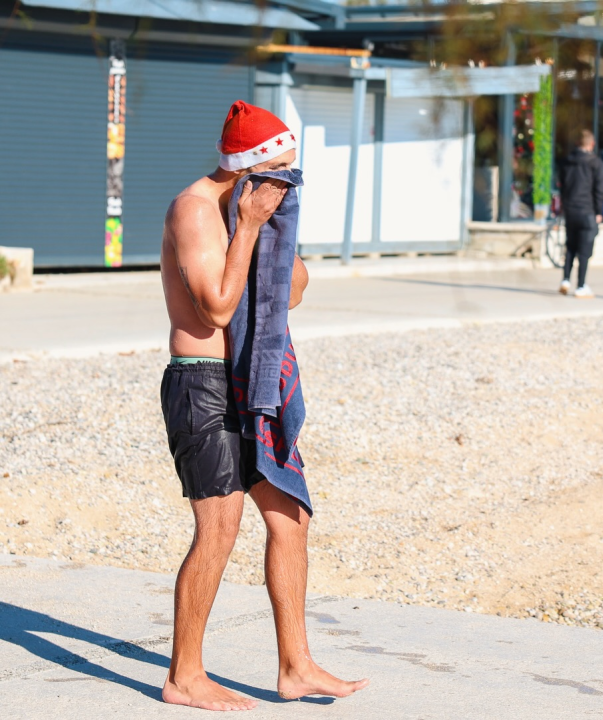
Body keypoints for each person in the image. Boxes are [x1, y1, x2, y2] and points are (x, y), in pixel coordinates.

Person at [159, 101, 369, 711]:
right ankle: (184, 676)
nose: (286, 185)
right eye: (278, 171)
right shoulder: (196, 211)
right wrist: (248, 227)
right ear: (245, 169)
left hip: (255, 378)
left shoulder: (254, 207)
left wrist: (277, 234)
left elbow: (296, 291)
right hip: (202, 382)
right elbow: (216, 310)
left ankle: (296, 665)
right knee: (219, 529)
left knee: (290, 519)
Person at [558, 129, 603, 299]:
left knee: (570, 246)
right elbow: (600, 189)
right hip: (587, 210)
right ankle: (581, 285)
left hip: (571, 209)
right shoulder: (596, 163)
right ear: (592, 144)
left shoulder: (567, 162)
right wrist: (599, 212)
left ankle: (565, 280)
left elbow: (562, 185)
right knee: (584, 251)